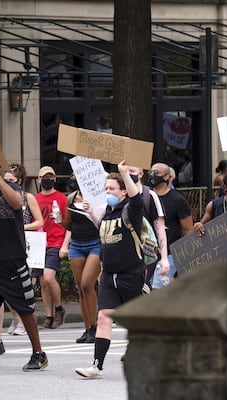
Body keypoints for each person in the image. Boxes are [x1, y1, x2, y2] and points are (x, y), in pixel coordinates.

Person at [75, 160, 145, 379]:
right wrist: (92, 215)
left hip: (131, 274)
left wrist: (124, 172)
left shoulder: (130, 210)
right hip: (108, 276)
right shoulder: (107, 211)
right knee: (104, 317)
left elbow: (136, 198)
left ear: (123, 191)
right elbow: (106, 232)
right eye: (106, 189)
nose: (107, 192)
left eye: (112, 189)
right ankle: (96, 366)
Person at [0, 162, 48, 371]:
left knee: (24, 308)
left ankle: (38, 353)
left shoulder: (12, 190)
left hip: (11, 261)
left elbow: (16, 204)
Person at [1, 164, 44, 338]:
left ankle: (22, 321)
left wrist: (22, 227)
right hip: (4, 244)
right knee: (3, 285)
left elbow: (39, 221)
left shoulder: (28, 198)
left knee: (20, 285)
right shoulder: (0, 198)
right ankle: (16, 316)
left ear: (19, 181)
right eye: (5, 181)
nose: (7, 184)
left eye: (10, 181)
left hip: (25, 243)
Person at [62, 174, 101, 343]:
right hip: (77, 244)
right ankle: (87, 328)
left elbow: (102, 221)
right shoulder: (70, 198)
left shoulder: (98, 197)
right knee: (81, 288)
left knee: (87, 283)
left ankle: (95, 326)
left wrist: (91, 209)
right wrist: (59, 220)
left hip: (95, 243)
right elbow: (68, 224)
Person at [147, 162, 193, 288]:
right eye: (151, 172)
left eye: (157, 173)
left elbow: (188, 228)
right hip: (148, 252)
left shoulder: (177, 200)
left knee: (158, 285)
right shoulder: (146, 197)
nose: (152, 176)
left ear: (167, 177)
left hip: (170, 252)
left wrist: (182, 254)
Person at [35, 166, 69, 329]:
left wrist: (65, 245)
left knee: (49, 277)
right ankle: (49, 316)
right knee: (42, 281)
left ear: (55, 179)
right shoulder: (34, 198)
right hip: (39, 242)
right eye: (44, 177)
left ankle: (59, 308)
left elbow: (69, 224)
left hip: (56, 241)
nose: (48, 179)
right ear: (39, 179)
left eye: (51, 176)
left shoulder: (62, 198)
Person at [127, 165, 169, 293]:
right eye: (126, 172)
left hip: (146, 252)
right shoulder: (121, 196)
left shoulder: (149, 196)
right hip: (125, 252)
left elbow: (160, 228)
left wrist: (164, 258)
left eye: (132, 171)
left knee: (141, 289)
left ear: (140, 173)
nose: (128, 175)